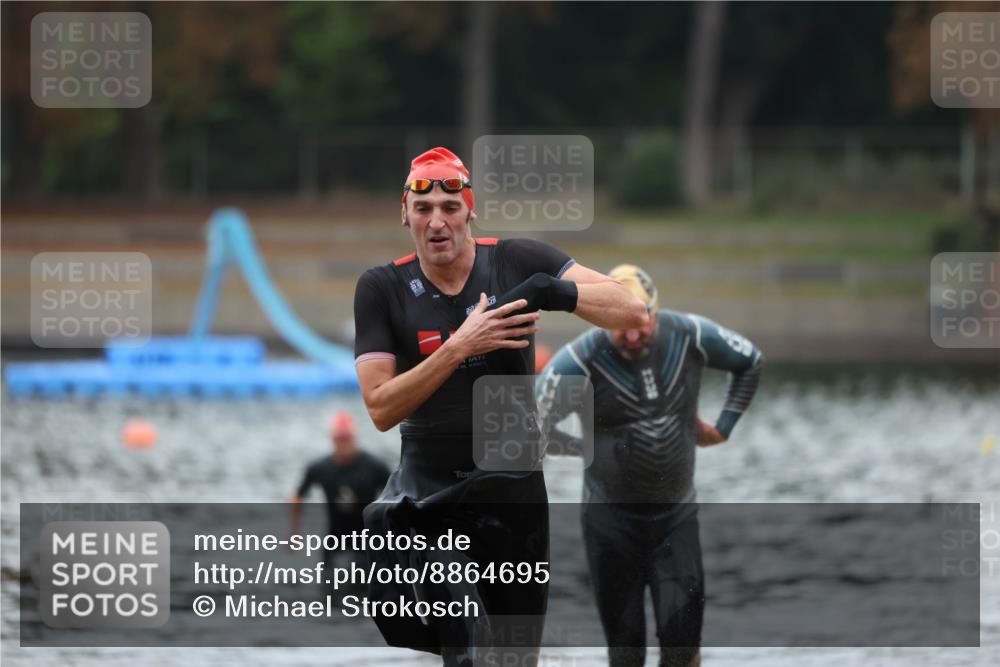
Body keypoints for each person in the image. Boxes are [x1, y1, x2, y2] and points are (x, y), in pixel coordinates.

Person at [353, 146, 649, 666]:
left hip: (514, 491)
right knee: (465, 651)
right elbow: (380, 409)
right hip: (430, 495)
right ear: (405, 215)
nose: (437, 222)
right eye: (423, 210)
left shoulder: (516, 261)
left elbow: (632, 309)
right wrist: (461, 346)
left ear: (470, 211)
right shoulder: (383, 288)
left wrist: (550, 290)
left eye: (449, 207)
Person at [536, 264, 764, 667]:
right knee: (626, 654)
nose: (636, 333)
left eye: (643, 321)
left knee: (683, 650)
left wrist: (723, 427)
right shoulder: (578, 361)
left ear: (655, 311)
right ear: (603, 319)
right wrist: (580, 448)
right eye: (622, 325)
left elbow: (751, 361)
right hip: (610, 523)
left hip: (675, 519)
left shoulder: (690, 334)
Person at [289, 410, 391, 567]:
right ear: (332, 439)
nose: (344, 443)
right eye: (339, 439)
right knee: (328, 584)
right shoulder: (320, 467)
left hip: (366, 540)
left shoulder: (375, 466)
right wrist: (294, 533)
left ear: (355, 437)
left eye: (347, 438)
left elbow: (395, 497)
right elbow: (297, 496)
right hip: (334, 538)